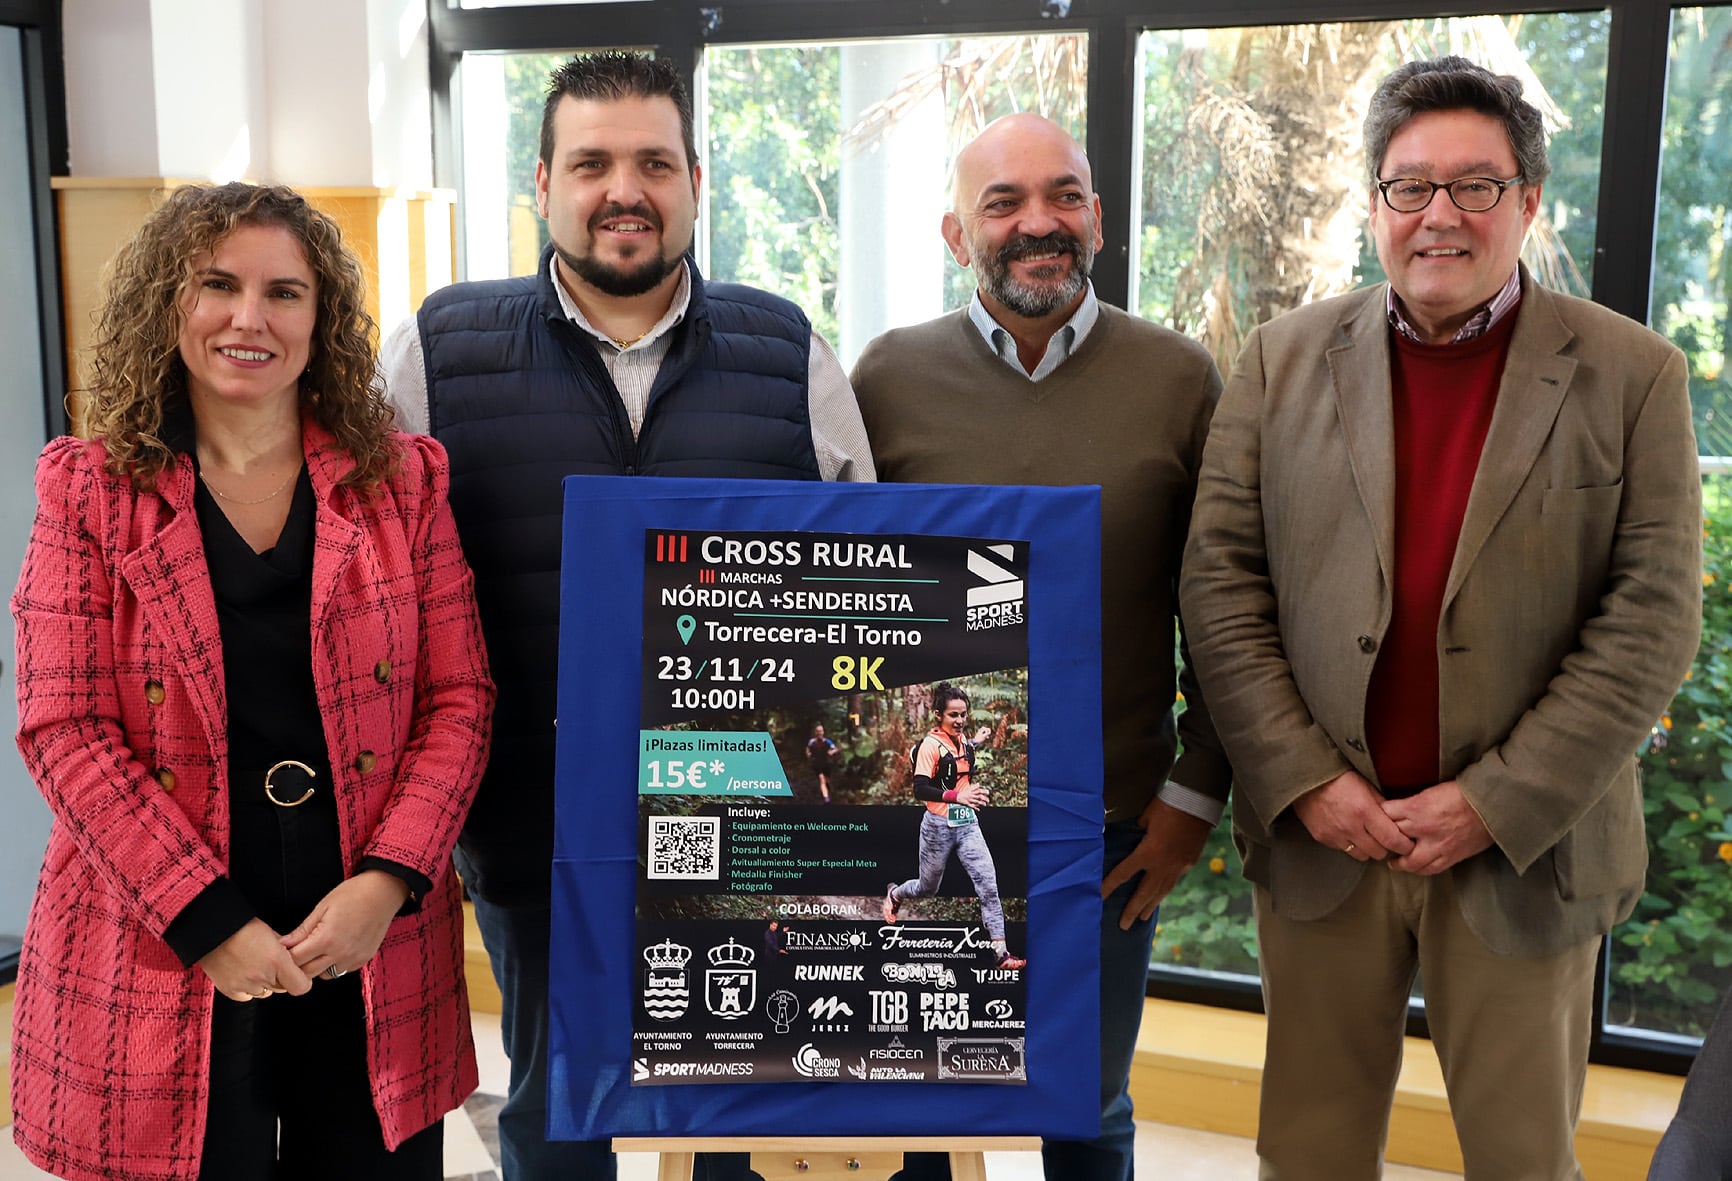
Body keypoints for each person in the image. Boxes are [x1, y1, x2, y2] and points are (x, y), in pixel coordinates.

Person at [1179, 56, 1702, 1180]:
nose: (1439, 216)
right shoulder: (1277, 362)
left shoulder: (1633, 375)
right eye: (1409, 187)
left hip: (1522, 853)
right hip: (1328, 838)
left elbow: (1652, 620)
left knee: (1523, 1159)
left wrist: (1495, 798)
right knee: (1307, 1154)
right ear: (1374, 205)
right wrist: (1308, 780)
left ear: (1527, 201)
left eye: (1475, 186)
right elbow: (1220, 587)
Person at [379, 51, 873, 1181]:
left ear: (697, 179)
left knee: (745, 1111)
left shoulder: (788, 348)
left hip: (749, 823)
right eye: (592, 161)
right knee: (560, 1110)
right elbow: (371, 588)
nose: (625, 189)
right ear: (543, 184)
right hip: (532, 820)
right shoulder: (434, 349)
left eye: (654, 161)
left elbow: (866, 594)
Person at [8, 182, 494, 1181]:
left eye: (285, 291)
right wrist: (206, 917)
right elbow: (65, 728)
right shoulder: (89, 489)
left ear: (321, 320)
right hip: (166, 932)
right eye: (217, 285)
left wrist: (389, 878)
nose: (249, 317)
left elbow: (460, 700)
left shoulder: (402, 482)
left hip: (363, 930)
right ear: (167, 304)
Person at [852, 113, 1232, 1181]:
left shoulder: (1179, 378)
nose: (1038, 223)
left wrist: (1193, 796)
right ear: (952, 231)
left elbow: (1223, 608)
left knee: (1087, 1101)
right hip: (926, 810)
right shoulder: (882, 378)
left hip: (1106, 821)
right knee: (910, 1093)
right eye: (1002, 202)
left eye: (1063, 195)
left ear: (1098, 218)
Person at [882, 682, 1025, 970]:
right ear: (938, 715)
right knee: (927, 888)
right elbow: (920, 788)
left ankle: (1001, 953)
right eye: (953, 715)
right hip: (937, 826)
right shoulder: (928, 746)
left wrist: (979, 739)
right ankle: (895, 893)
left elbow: (961, 753)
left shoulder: (961, 740)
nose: (960, 721)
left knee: (988, 885)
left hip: (968, 824)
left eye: (963, 715)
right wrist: (958, 796)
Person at [806, 722, 838, 802]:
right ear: (815, 732)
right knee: (822, 779)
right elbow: (808, 749)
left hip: (827, 763)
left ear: (823, 732)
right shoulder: (812, 742)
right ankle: (826, 798)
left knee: (827, 780)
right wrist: (808, 754)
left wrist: (832, 752)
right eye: (818, 731)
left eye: (821, 731)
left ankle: (828, 790)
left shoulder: (827, 741)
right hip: (817, 764)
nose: (820, 733)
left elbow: (835, 748)